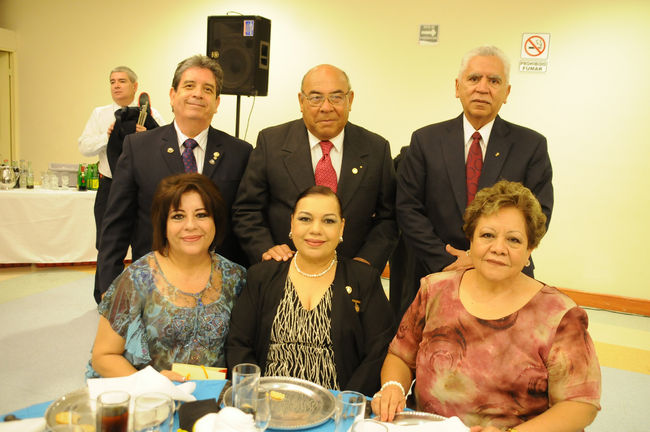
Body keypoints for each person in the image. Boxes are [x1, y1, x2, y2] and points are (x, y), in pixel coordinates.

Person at [372, 180, 600, 431]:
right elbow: (400, 356)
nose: (498, 248)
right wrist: (393, 387)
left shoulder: (559, 315)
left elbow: (580, 404)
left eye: (513, 240)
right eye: (487, 235)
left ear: (530, 250)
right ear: (470, 239)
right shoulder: (434, 289)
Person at [395, 46, 553, 317]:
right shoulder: (425, 140)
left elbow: (540, 215)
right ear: (458, 87)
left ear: (507, 92)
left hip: (506, 275)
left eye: (494, 81)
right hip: (436, 271)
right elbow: (408, 208)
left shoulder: (531, 146)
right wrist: (449, 259)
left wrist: (482, 259)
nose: (482, 88)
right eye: (474, 78)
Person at [95, 55, 252, 303]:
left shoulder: (240, 153)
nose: (197, 94)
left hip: (219, 291)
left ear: (217, 102)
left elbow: (245, 221)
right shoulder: (138, 148)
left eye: (207, 89)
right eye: (189, 86)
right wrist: (108, 285)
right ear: (172, 95)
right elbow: (116, 223)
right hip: (152, 287)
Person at [227, 186, 395, 395]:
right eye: (305, 219)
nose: (316, 229)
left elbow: (378, 352)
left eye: (328, 221)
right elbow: (238, 344)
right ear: (292, 223)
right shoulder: (262, 275)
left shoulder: (364, 279)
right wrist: (254, 395)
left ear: (342, 227)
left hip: (337, 406)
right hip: (267, 402)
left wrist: (346, 403)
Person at [232, 64, 397, 273]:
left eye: (336, 97)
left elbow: (388, 218)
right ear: (301, 101)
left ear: (350, 100)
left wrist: (366, 262)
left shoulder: (376, 149)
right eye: (316, 98)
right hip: (284, 270)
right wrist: (267, 250)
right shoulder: (271, 143)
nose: (326, 107)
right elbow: (247, 210)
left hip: (352, 275)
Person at [88, 173, 246, 381]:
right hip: (149, 393)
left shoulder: (236, 278)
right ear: (163, 224)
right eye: (178, 216)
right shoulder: (137, 279)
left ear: (216, 220)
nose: (191, 225)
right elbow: (103, 356)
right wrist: (153, 384)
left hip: (214, 395)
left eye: (201, 215)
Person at [78, 66, 165, 249]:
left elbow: (166, 147)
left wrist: (148, 136)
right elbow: (84, 147)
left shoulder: (151, 114)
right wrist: (106, 137)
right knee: (106, 243)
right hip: (109, 186)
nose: (116, 86)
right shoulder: (99, 114)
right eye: (112, 82)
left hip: (142, 187)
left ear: (135, 86)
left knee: (145, 242)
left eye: (122, 81)